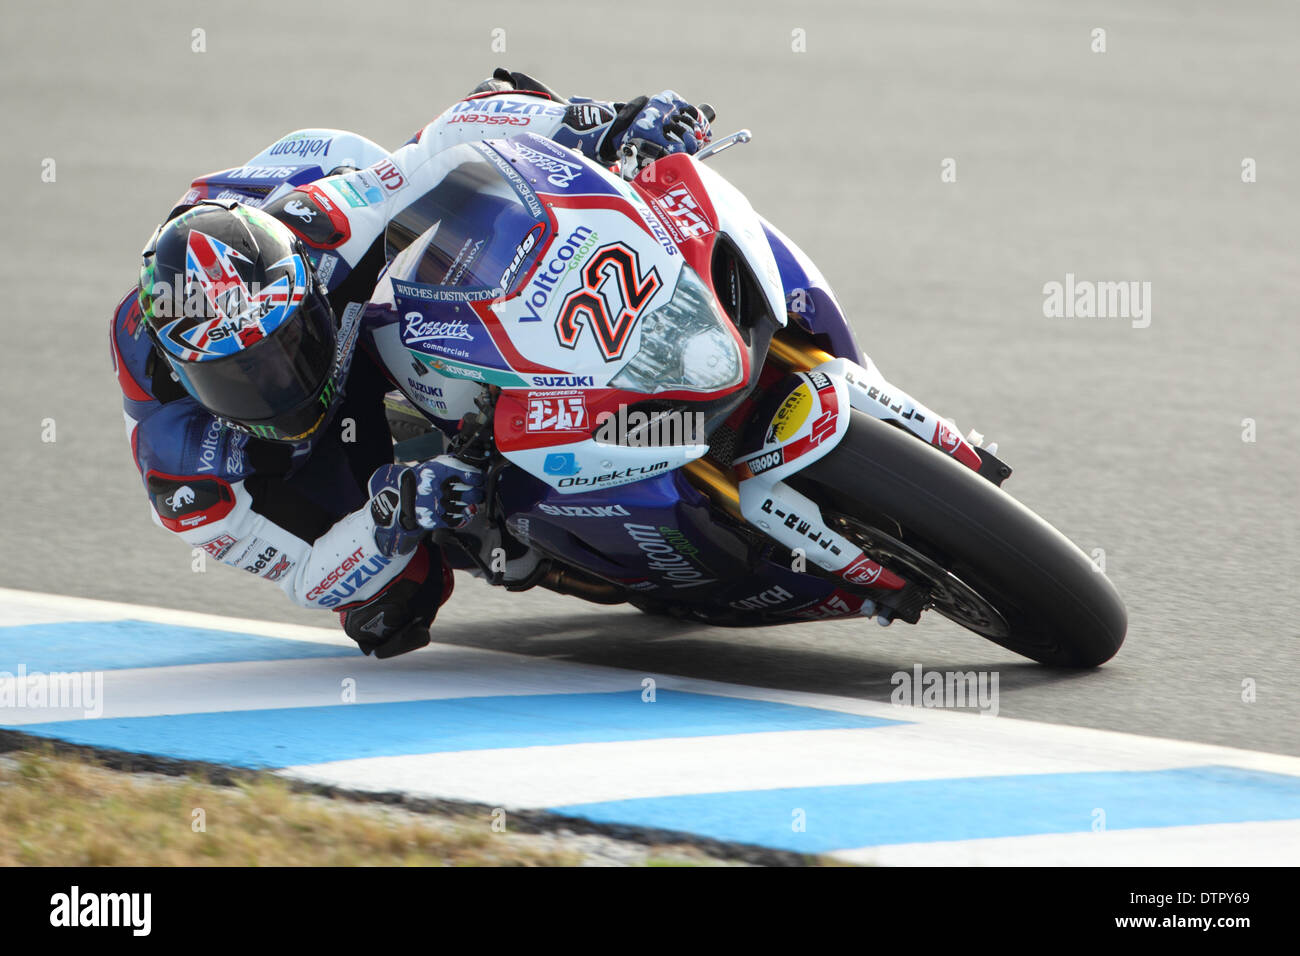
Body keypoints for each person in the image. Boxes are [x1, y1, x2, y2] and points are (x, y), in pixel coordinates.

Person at [111, 69, 712, 658]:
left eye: (288, 348)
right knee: (388, 607)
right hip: (304, 462)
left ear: (309, 297)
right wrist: (390, 513)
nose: (278, 384)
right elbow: (305, 574)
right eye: (239, 378)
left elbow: (438, 144)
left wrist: (595, 123)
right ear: (184, 375)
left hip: (311, 179)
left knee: (482, 175)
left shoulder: (323, 228)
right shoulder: (184, 471)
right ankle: (510, 535)